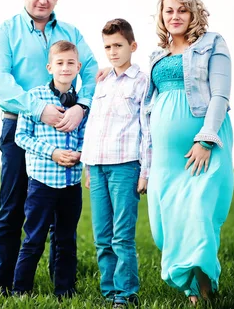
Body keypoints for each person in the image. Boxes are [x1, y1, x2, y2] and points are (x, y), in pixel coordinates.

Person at [0, 0, 98, 294]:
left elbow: (91, 70)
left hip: (66, 127)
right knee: (12, 208)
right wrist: (39, 109)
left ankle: (60, 286)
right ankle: (2, 285)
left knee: (59, 213)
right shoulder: (6, 31)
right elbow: (0, 80)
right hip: (19, 124)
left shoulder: (70, 32)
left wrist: (82, 106)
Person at [143, 0, 234, 305]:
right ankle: (189, 286)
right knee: (164, 223)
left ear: (194, 13)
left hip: (205, 143)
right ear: (162, 16)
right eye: (168, 11)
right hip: (165, 156)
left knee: (197, 214)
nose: (175, 16)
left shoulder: (212, 44)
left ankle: (204, 293)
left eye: (182, 10)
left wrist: (206, 139)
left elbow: (221, 95)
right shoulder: (157, 55)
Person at [81, 18, 149, 307]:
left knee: (122, 237)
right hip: (96, 166)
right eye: (107, 46)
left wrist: (145, 171)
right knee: (102, 236)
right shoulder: (102, 80)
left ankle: (125, 293)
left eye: (118, 45)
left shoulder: (143, 81)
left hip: (125, 166)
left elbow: (148, 128)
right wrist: (87, 165)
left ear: (132, 46)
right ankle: (108, 291)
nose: (112, 51)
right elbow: (93, 125)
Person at [12, 40, 86, 298]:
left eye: (70, 63)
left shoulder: (82, 104)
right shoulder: (34, 98)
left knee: (66, 240)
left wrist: (80, 154)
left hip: (71, 183)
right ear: (50, 67)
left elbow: (88, 137)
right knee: (33, 239)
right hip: (42, 182)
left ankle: (65, 291)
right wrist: (52, 152)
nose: (65, 68)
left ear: (78, 67)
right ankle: (21, 290)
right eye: (59, 63)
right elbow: (21, 137)